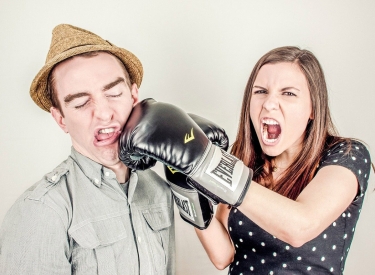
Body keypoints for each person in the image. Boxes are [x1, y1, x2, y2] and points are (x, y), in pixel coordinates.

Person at [119, 46, 372, 275]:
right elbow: (223, 255)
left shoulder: (346, 155)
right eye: (260, 91)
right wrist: (184, 183)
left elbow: (300, 227)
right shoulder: (243, 160)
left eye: (288, 93)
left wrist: (208, 164)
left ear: (313, 109)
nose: (269, 103)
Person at [0, 24, 175, 275]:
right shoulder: (41, 211)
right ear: (61, 119)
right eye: (81, 103)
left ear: (134, 97)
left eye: (114, 93)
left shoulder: (159, 190)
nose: (104, 114)